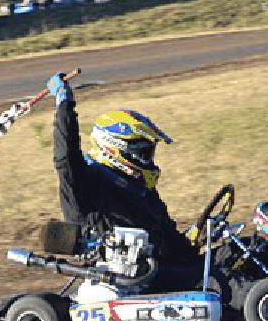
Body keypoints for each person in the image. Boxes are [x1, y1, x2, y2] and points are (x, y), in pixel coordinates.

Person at [44, 72, 203, 294]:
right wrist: (65, 105)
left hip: (170, 267)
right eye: (142, 153)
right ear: (115, 149)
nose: (147, 159)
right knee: (219, 277)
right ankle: (261, 307)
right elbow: (65, 159)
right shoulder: (87, 185)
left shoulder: (138, 188)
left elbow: (168, 238)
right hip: (137, 277)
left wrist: (193, 238)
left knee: (242, 254)